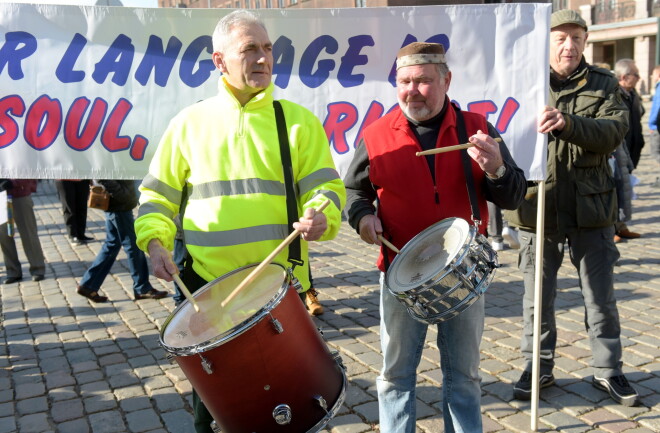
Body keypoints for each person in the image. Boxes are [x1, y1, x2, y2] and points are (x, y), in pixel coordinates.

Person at [133, 10, 345, 433]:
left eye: (267, 48)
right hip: (205, 293)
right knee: (216, 415)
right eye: (249, 49)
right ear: (219, 61)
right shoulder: (188, 124)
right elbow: (157, 196)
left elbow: (328, 190)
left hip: (278, 290)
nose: (263, 58)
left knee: (294, 409)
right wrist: (154, 243)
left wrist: (323, 215)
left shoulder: (297, 122)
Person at [344, 41, 526, 432]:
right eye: (404, 81)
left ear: (446, 80)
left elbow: (513, 194)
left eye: (424, 81)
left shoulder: (477, 127)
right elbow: (354, 192)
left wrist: (496, 167)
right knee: (395, 375)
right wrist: (362, 218)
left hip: (462, 273)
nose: (412, 90)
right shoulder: (376, 135)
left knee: (464, 376)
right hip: (399, 273)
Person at [504, 10, 639, 407]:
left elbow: (614, 132)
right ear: (546, 42)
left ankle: (608, 369)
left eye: (577, 37)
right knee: (536, 299)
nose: (569, 45)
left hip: (590, 210)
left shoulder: (603, 83)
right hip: (535, 208)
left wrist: (568, 123)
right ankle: (537, 366)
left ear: (585, 41)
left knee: (600, 297)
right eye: (561, 38)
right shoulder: (520, 81)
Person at [77, 180, 167, 303]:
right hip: (119, 206)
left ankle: (88, 285)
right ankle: (142, 287)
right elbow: (104, 175)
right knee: (133, 246)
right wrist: (124, 194)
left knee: (112, 245)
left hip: (120, 205)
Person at [0, 179, 46, 284]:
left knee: (28, 234)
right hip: (0, 196)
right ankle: (12, 271)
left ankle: (37, 268)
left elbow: (27, 170)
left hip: (20, 195)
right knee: (3, 236)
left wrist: (13, 183)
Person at [614, 59, 645, 170]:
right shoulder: (613, 96)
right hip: (619, 156)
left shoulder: (633, 93)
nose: (639, 77)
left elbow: (641, 112)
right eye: (636, 74)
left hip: (633, 153)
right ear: (624, 77)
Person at [55, 179, 94, 245]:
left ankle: (81, 234)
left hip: (82, 177)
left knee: (82, 206)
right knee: (69, 208)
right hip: (64, 178)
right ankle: (73, 235)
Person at [648, 65, 660, 188]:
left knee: (655, 152)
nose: (652, 76)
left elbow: (657, 108)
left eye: (654, 74)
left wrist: (652, 124)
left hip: (657, 126)